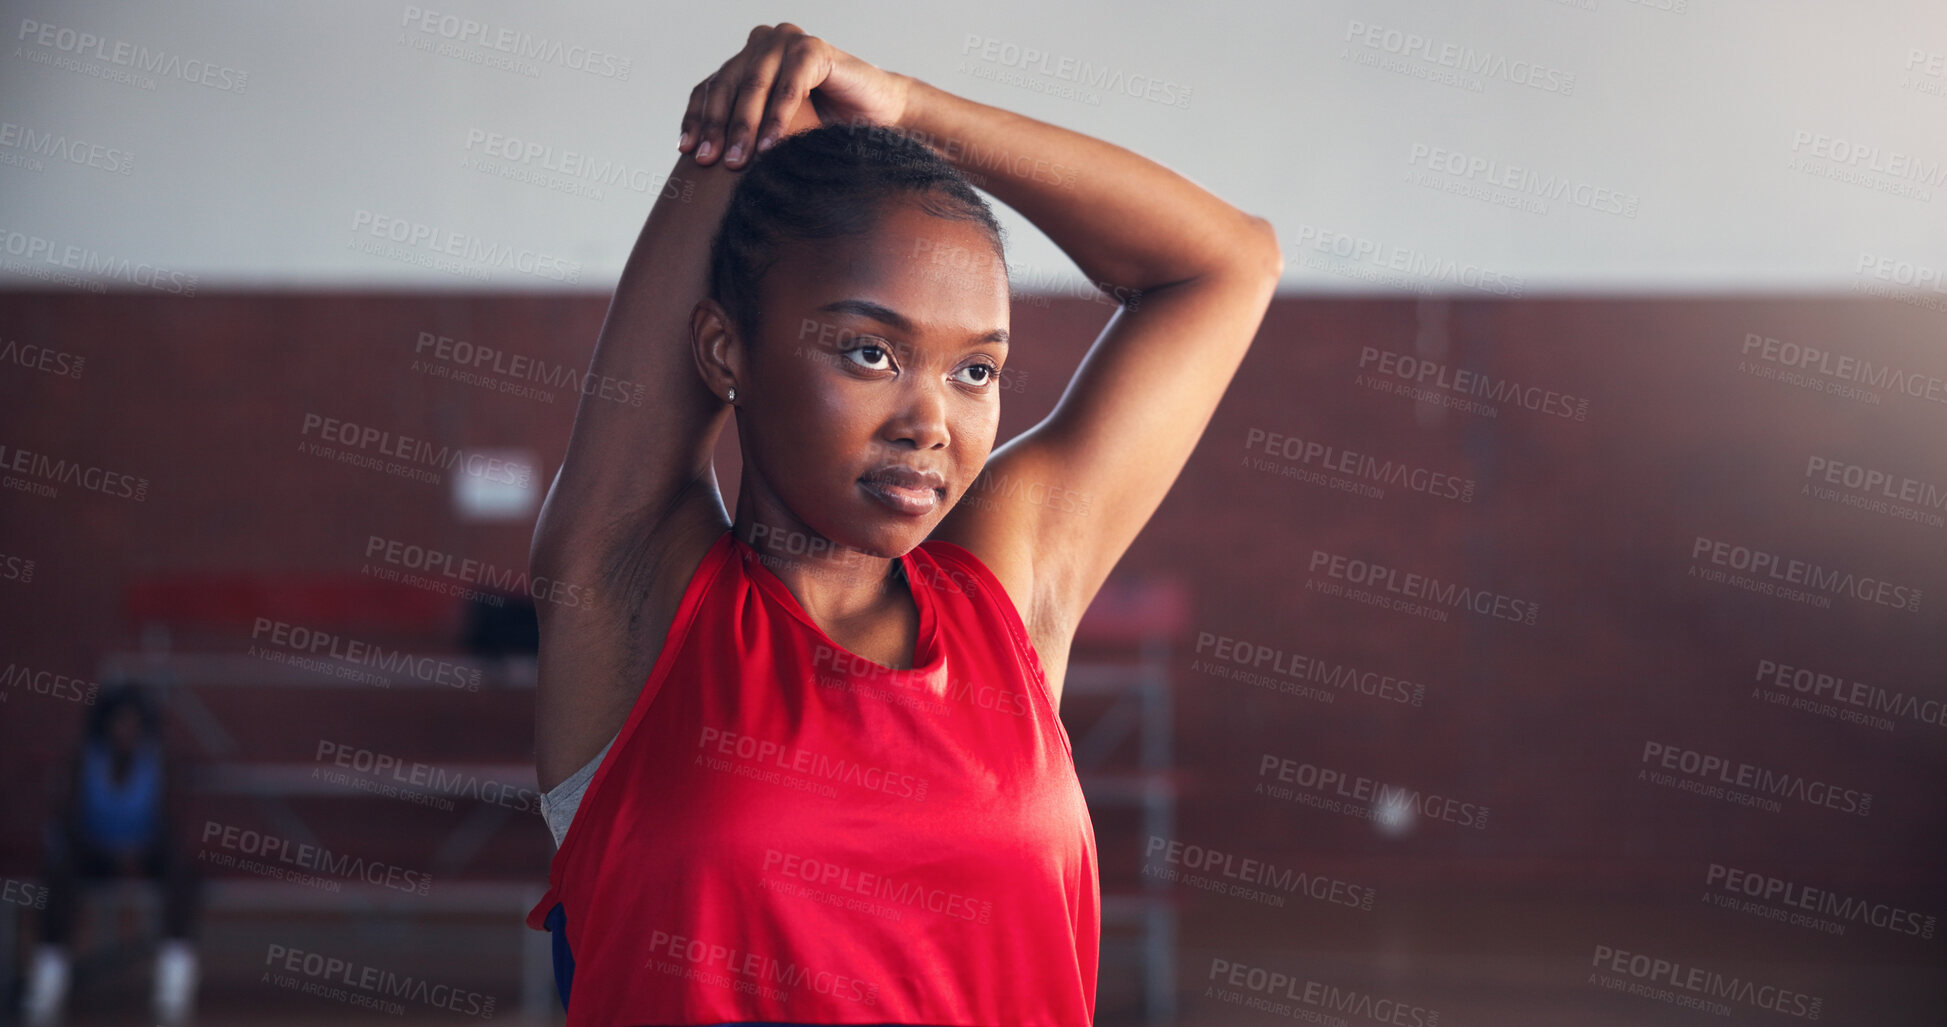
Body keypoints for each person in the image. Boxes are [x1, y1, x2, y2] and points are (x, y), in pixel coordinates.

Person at [525, 22, 1280, 1025]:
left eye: (977, 369)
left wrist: (911, 110)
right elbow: (756, 131)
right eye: (868, 353)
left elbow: (1227, 263)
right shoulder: (637, 598)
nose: (930, 422)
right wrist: (765, 113)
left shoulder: (1005, 595)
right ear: (725, 352)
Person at [23, 680, 201, 1027]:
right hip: (95, 851)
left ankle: (174, 975)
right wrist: (106, 850)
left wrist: (138, 851)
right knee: (60, 868)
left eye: (133, 723)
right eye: (119, 722)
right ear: (105, 724)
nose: (126, 730)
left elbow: (171, 821)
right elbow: (68, 819)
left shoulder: (159, 761)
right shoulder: (84, 759)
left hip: (144, 850)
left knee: (182, 868)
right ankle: (49, 973)